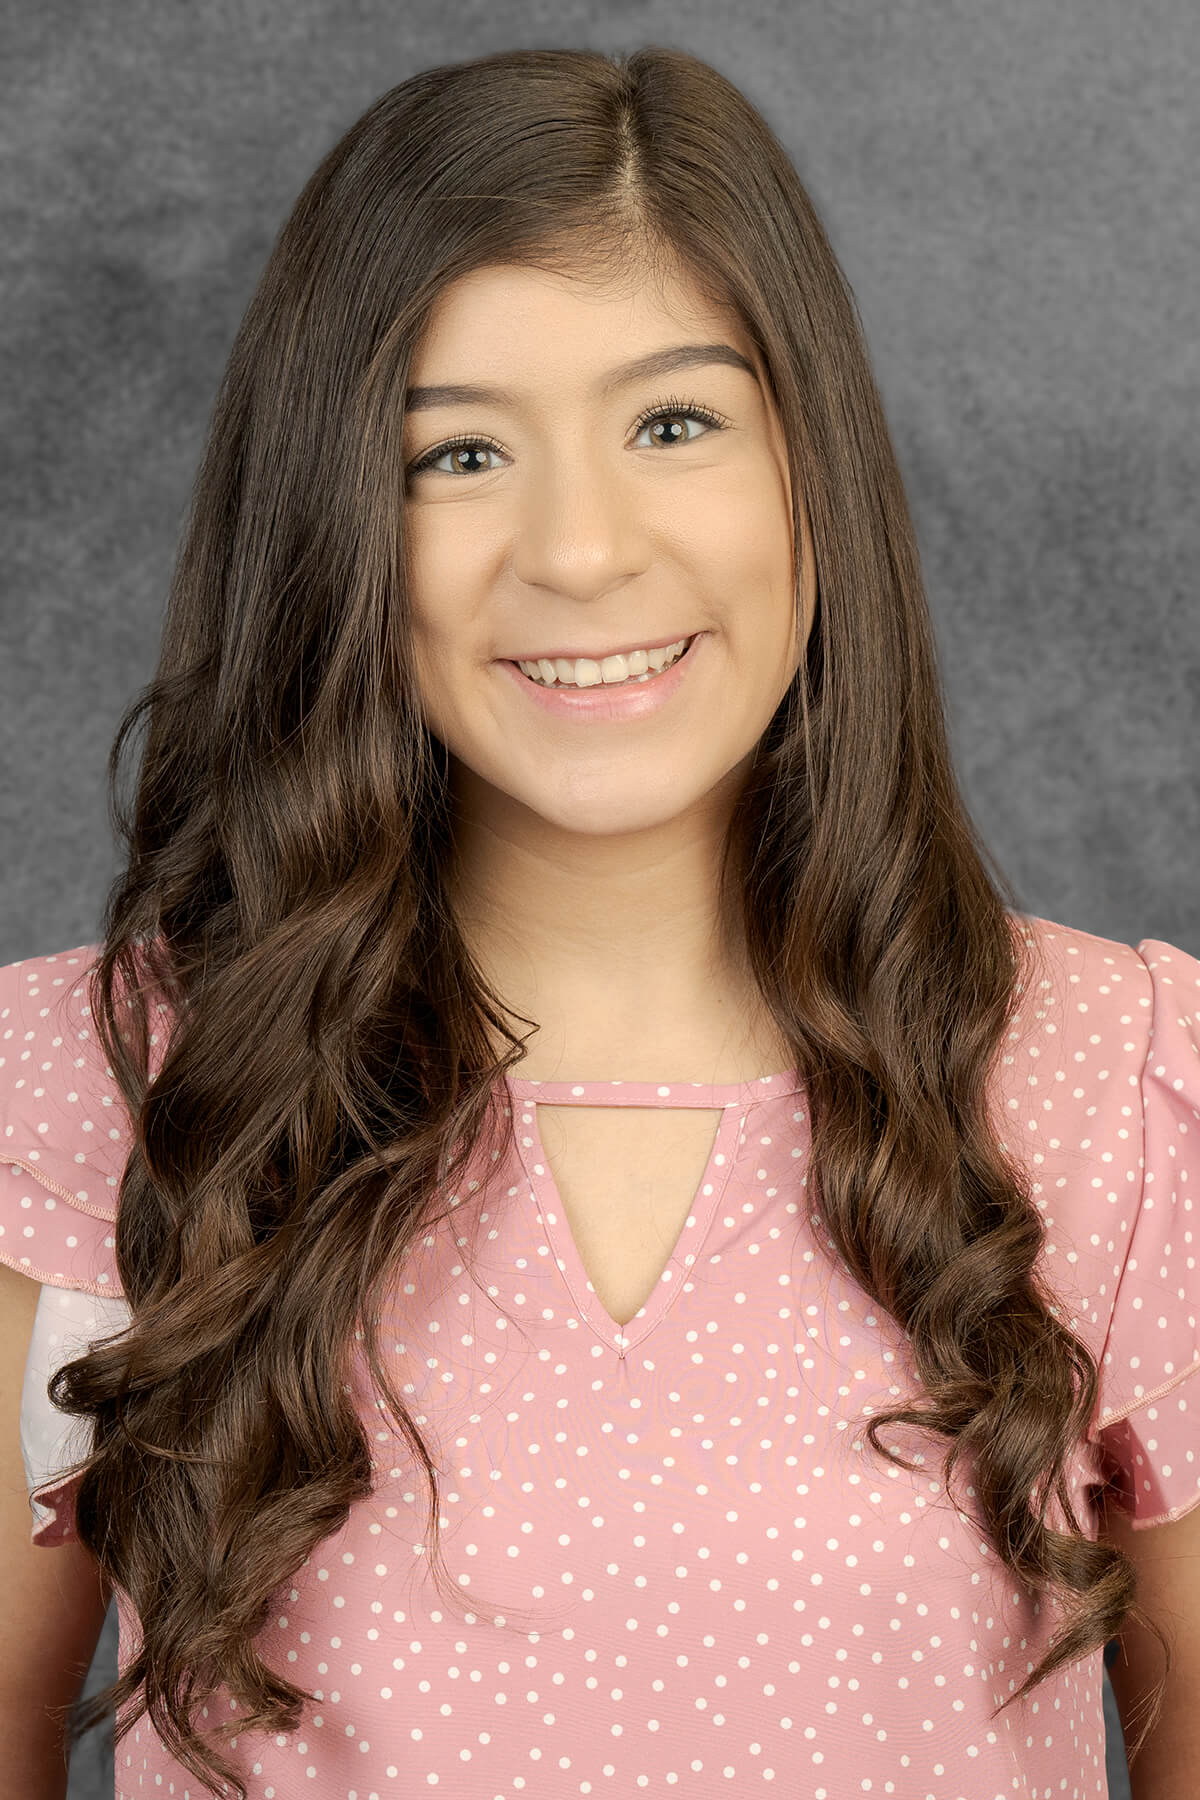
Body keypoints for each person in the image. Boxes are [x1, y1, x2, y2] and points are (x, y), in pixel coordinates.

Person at [1, 43, 1197, 1800]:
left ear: (812, 468)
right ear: (337, 524)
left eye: (673, 422)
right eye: (460, 452)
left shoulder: (1121, 1083)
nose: (578, 549)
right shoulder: (92, 1089)